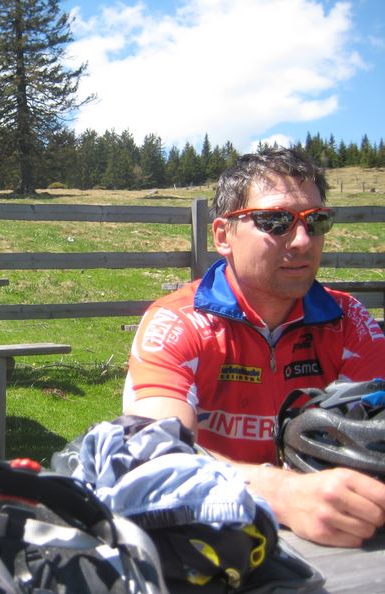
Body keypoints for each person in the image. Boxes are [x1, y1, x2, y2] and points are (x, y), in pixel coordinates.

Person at [123, 147, 385, 548]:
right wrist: (280, 492)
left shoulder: (349, 320)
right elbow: (153, 454)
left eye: (316, 221)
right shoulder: (176, 322)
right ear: (223, 236)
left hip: (340, 539)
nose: (302, 240)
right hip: (210, 538)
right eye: (275, 221)